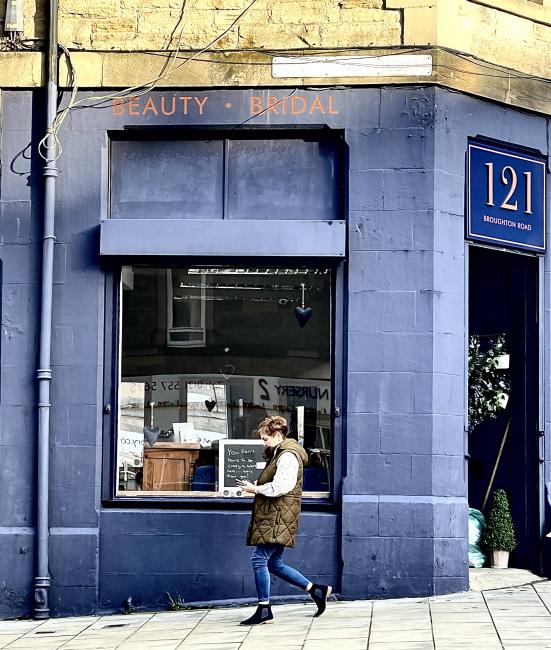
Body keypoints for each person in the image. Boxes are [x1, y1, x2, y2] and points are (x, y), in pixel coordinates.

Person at [236, 415, 332, 626]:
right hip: (277, 515)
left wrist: (255, 489)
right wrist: (257, 487)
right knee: (274, 563)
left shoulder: (288, 455)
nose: (264, 443)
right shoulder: (280, 452)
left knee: (259, 559)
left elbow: (282, 486)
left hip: (278, 516)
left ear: (278, 435)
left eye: (265, 439)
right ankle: (316, 590)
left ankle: (264, 609)